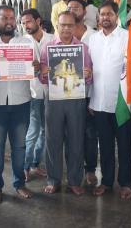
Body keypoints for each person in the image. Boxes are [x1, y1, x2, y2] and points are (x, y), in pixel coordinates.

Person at [0, 5, 37, 203]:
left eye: (13, 18)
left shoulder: (25, 44)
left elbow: (34, 70)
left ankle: (19, 183)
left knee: (19, 146)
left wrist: (35, 68)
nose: (9, 22)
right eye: (5, 18)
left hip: (20, 101)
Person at [40, 11, 93, 195]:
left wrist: (88, 75)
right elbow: (42, 79)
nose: (66, 29)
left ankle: (74, 181)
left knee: (76, 140)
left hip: (75, 99)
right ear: (57, 26)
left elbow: (88, 78)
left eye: (70, 25)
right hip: (54, 99)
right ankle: (53, 180)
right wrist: (44, 72)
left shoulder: (83, 49)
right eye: (63, 25)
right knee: (52, 140)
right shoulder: (47, 48)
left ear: (76, 27)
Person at [89, 0, 131, 199]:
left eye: (109, 14)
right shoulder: (93, 38)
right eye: (102, 14)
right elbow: (89, 70)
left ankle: (125, 183)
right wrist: (90, 99)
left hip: (122, 102)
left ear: (117, 16)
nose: (105, 17)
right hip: (98, 102)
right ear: (98, 17)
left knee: (124, 145)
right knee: (105, 145)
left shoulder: (127, 37)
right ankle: (107, 182)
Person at [21, 9, 54, 181]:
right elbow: (16, 69)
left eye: (28, 22)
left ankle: (35, 164)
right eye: (23, 23)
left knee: (44, 131)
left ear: (38, 21)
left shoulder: (52, 40)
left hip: (50, 93)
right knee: (32, 131)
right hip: (32, 93)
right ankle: (25, 167)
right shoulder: (20, 43)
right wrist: (31, 68)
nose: (26, 26)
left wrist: (47, 67)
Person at [67, 0, 98, 186]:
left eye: (76, 7)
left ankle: (90, 169)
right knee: (70, 134)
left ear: (84, 12)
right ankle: (73, 171)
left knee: (89, 134)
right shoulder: (61, 35)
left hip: (88, 94)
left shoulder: (95, 36)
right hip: (67, 95)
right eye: (69, 7)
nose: (72, 10)